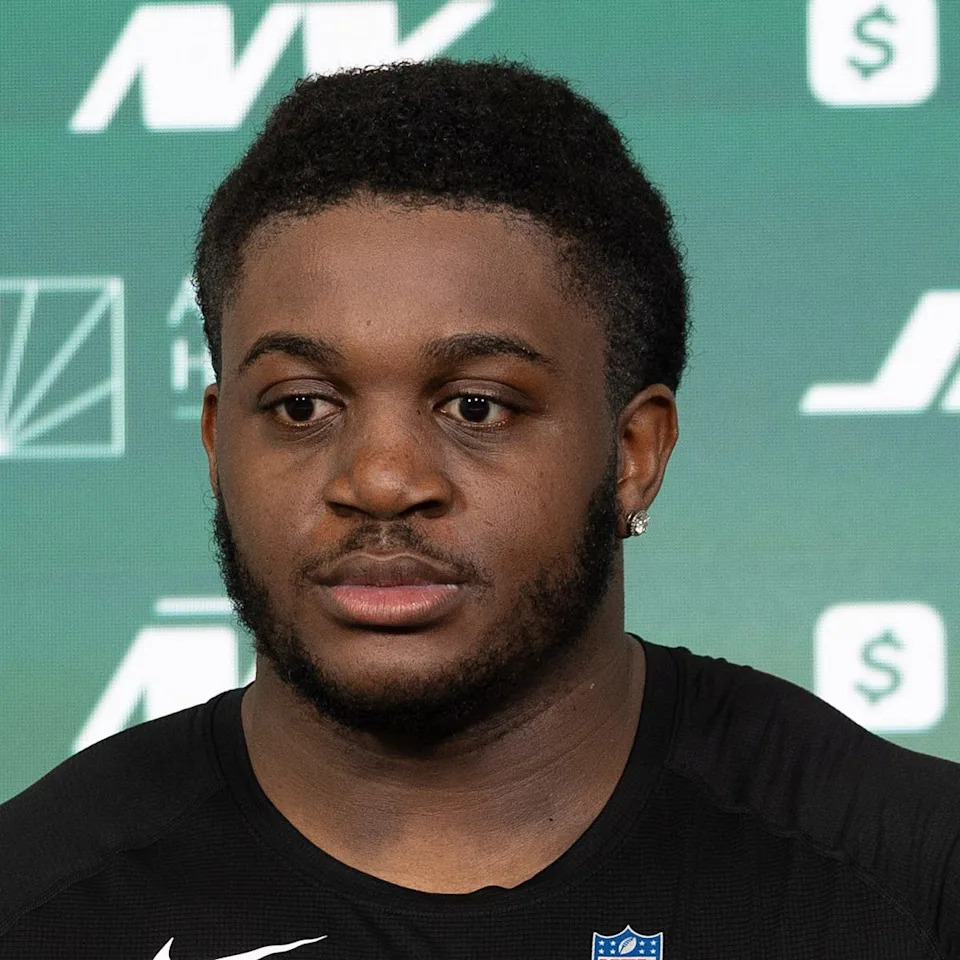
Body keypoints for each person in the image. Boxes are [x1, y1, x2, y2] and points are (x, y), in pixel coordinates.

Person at [1, 58, 957, 960]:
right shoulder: (36, 900)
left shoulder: (912, 880)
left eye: (476, 407)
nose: (381, 481)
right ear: (218, 444)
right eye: (300, 406)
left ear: (633, 454)